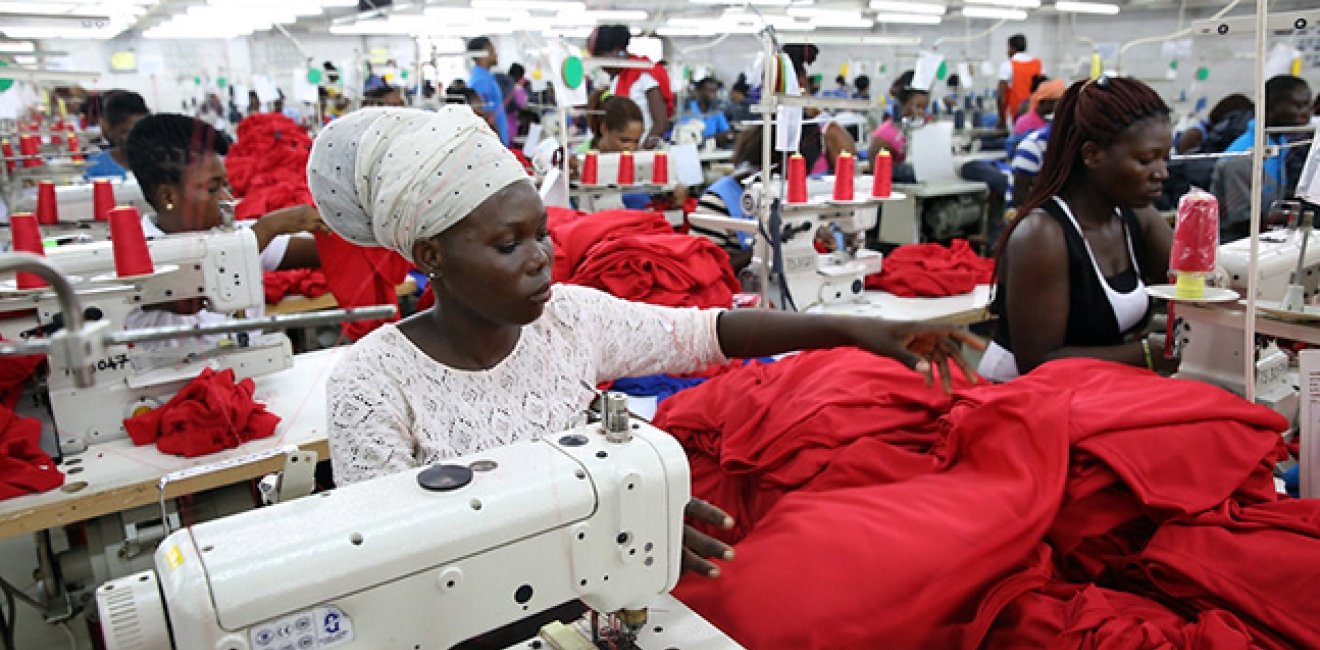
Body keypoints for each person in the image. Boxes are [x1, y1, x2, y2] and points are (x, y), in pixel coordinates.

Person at [307, 106, 982, 577]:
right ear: (433, 255)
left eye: (541, 232)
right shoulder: (372, 384)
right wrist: (607, 530)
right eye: (509, 244)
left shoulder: (567, 320)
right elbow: (400, 561)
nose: (542, 257)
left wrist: (849, 328)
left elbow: (704, 333)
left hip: (596, 587)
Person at [980, 76, 1176, 383]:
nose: (1162, 173)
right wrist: (1148, 353)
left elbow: (1195, 285)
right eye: (1146, 160)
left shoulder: (1136, 216)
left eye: (1165, 158)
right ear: (1092, 154)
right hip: (1018, 397)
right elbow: (1039, 363)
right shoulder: (1041, 235)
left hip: (1093, 389)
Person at [122, 114, 325, 344]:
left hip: (247, 373)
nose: (227, 198)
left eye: (225, 185)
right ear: (168, 196)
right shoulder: (135, 259)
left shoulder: (237, 234)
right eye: (213, 189)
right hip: (177, 379)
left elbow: (324, 252)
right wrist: (271, 226)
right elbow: (190, 287)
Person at [1212, 75, 1314, 241]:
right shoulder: (1241, 156)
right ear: (1269, 108)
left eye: (1308, 106)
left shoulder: (1280, 144)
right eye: (1298, 105)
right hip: (1234, 248)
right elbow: (1242, 222)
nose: (1307, 114)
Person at [587, 25, 673, 150]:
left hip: (644, 152)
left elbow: (660, 123)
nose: (602, 67)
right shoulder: (617, 80)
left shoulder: (645, 75)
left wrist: (641, 149)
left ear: (616, 51)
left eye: (603, 58)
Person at [868, 71, 927, 168]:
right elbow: (879, 169)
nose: (922, 112)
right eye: (918, 106)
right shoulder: (886, 135)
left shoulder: (912, 127)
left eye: (925, 107)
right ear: (905, 101)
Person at [466, 36, 509, 146]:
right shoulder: (480, 80)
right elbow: (480, 114)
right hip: (493, 143)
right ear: (483, 54)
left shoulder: (487, 77)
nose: (495, 54)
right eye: (492, 50)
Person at [997, 34, 1042, 130]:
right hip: (1035, 115)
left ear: (1013, 48)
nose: (1007, 52)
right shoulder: (1038, 64)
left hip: (1015, 116)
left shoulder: (1008, 65)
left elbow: (1001, 96)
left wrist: (1002, 120)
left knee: (1016, 142)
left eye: (1008, 48)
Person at [100, 90, 150, 170]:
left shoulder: (158, 163)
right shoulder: (96, 165)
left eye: (142, 131)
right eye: (127, 132)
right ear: (109, 128)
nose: (136, 137)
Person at [681, 77, 734, 146]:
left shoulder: (716, 111)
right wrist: (714, 137)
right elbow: (685, 136)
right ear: (698, 91)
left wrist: (724, 136)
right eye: (709, 91)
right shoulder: (687, 109)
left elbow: (727, 132)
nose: (713, 95)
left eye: (714, 91)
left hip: (711, 151)